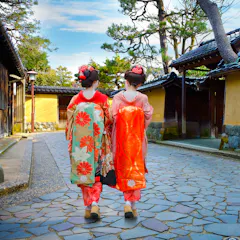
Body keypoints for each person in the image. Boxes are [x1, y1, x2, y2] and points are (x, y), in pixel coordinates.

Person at [66, 65, 115, 219]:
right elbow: (110, 120)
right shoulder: (102, 99)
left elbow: (69, 123)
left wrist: (71, 140)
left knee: (84, 173)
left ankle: (88, 206)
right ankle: (95, 204)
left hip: (80, 145)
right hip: (98, 143)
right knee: (97, 174)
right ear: (95, 82)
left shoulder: (75, 100)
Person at [111, 65, 153, 218]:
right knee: (136, 168)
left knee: (124, 168)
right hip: (137, 140)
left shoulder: (117, 98)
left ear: (126, 81)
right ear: (140, 84)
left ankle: (128, 202)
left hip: (121, 139)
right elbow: (147, 115)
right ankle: (131, 203)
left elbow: (113, 118)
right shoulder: (143, 98)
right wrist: (138, 124)